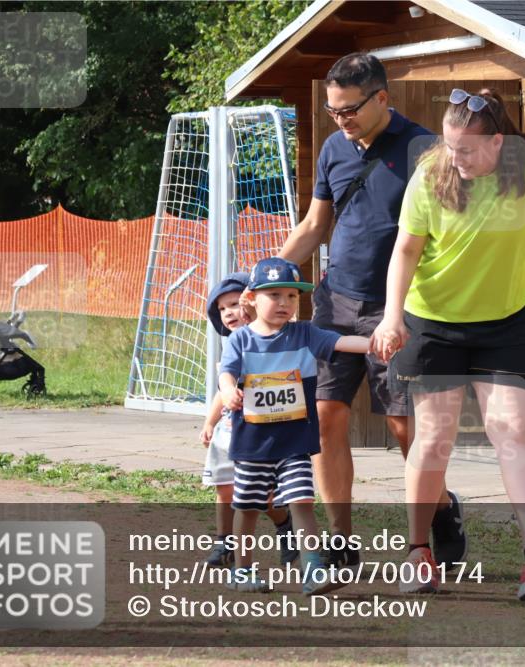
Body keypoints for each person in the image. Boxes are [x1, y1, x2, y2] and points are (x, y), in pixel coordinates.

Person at [372, 88, 525, 602]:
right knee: (435, 439)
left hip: (503, 324)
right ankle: (419, 553)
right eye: (449, 146)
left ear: (498, 142)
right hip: (433, 323)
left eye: (466, 148)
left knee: (516, 432)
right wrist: (391, 317)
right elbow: (405, 250)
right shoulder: (431, 174)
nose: (456, 157)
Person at [279, 52, 465, 568]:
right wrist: (266, 271)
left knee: (405, 428)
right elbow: (315, 227)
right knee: (324, 418)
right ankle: (340, 540)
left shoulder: (425, 149)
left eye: (349, 110)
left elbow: (451, 234)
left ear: (383, 98)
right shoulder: (334, 149)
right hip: (334, 303)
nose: (340, 120)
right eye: (333, 110)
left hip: (400, 308)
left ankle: (442, 510)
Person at [218, 257, 369, 594]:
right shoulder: (240, 340)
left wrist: (378, 344)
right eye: (274, 296)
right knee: (249, 508)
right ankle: (242, 570)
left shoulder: (305, 334)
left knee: (302, 501)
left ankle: (313, 570)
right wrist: (229, 390)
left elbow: (341, 343)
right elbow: (226, 372)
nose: (284, 303)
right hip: (253, 446)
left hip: (295, 444)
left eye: (291, 296)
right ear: (252, 298)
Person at [199, 272, 298, 569]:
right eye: (222, 309)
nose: (228, 312)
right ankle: (224, 543)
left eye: (233, 304)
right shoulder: (230, 345)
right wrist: (210, 421)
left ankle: (285, 528)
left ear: (252, 302)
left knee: (263, 495)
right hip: (230, 430)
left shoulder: (274, 340)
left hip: (262, 433)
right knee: (224, 486)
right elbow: (223, 388)